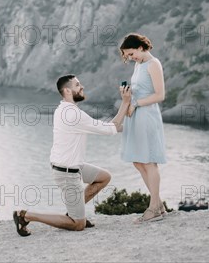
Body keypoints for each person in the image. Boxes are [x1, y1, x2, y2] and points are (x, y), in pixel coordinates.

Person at [13, 74, 132, 236]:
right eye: (77, 85)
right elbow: (110, 129)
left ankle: (76, 211)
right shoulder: (73, 115)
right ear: (68, 90)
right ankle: (25, 216)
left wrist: (134, 127)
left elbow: (109, 127)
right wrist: (125, 102)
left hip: (73, 166)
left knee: (104, 177)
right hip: (67, 173)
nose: (82, 87)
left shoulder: (64, 109)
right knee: (78, 225)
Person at [118, 33, 167, 224]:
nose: (131, 58)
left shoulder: (154, 64)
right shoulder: (139, 65)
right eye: (128, 56)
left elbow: (160, 95)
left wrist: (136, 103)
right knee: (138, 161)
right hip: (136, 115)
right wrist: (127, 96)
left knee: (149, 161)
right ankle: (159, 204)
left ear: (140, 47)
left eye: (131, 54)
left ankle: (154, 207)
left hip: (147, 116)